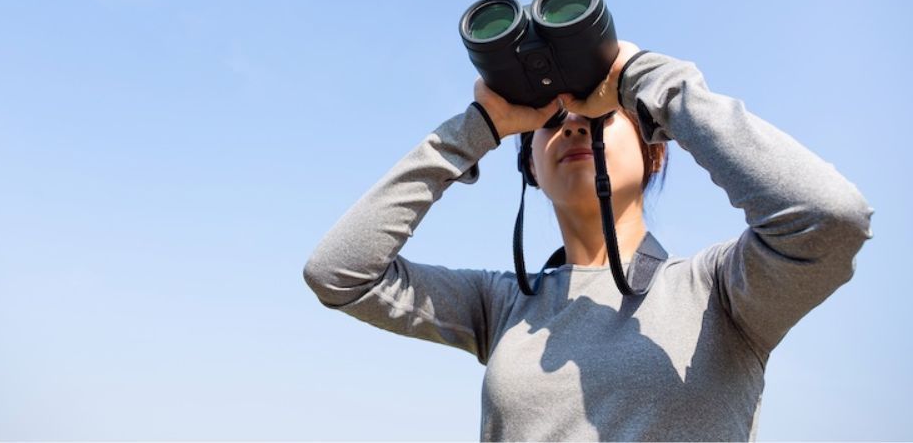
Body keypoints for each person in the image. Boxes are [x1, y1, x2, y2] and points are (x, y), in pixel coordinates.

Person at [302, 40, 874, 441]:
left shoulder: (721, 291)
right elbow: (339, 273)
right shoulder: (503, 305)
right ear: (528, 163)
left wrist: (645, 79)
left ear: (654, 149)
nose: (573, 125)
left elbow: (832, 218)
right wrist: (479, 127)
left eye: (599, 117)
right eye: (550, 124)